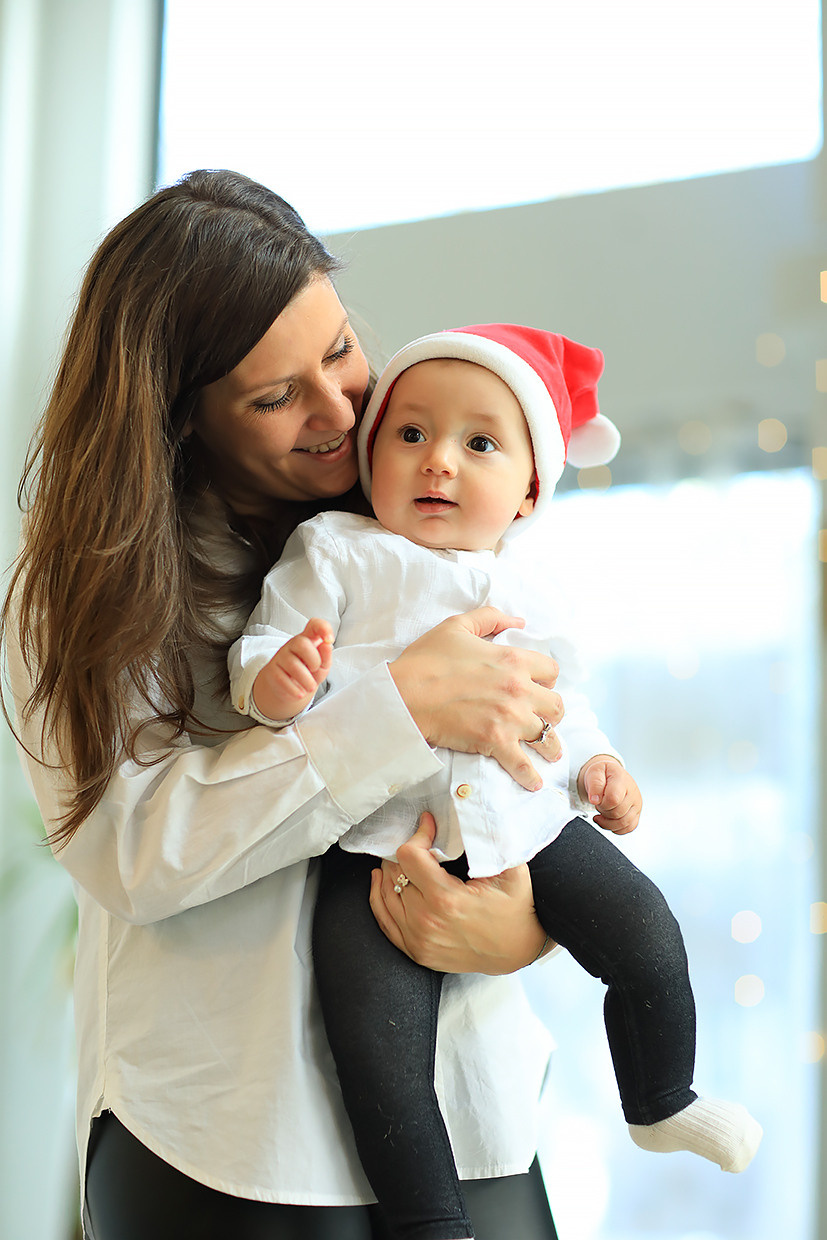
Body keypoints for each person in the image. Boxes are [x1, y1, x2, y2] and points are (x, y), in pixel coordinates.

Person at [1, 171, 573, 1240]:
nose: (343, 408)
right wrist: (394, 712)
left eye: (341, 348)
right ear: (178, 422)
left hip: (469, 1120)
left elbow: (542, 755)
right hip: (232, 1146)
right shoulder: (89, 587)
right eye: (276, 397)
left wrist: (529, 921)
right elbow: (131, 853)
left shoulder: (428, 514)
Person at [230, 324, 764, 1239]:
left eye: (478, 443)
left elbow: (563, 700)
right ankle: (428, 1222)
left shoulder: (534, 584)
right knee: (374, 1050)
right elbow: (268, 645)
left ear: (527, 489)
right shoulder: (337, 549)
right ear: (372, 452)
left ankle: (659, 1095)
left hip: (528, 821)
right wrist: (271, 678)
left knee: (643, 932)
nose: (437, 460)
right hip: (374, 840)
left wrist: (599, 764)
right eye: (409, 434)